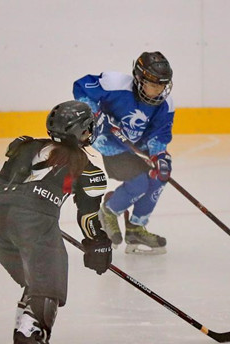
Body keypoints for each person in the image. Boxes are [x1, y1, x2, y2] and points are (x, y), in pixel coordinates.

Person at [0, 101, 113, 344]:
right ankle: (31, 334)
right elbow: (88, 217)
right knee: (51, 273)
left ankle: (26, 322)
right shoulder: (87, 167)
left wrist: (30, 211)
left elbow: (5, 185)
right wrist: (97, 244)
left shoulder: (24, 145)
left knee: (36, 276)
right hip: (33, 221)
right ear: (82, 131)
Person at [73, 51, 175, 255]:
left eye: (162, 85)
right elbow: (82, 87)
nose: (159, 91)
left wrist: (159, 156)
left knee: (159, 178)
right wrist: (93, 113)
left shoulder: (165, 104)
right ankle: (108, 211)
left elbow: (159, 134)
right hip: (111, 144)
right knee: (138, 184)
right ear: (138, 78)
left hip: (138, 147)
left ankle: (136, 227)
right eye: (154, 85)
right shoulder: (115, 84)